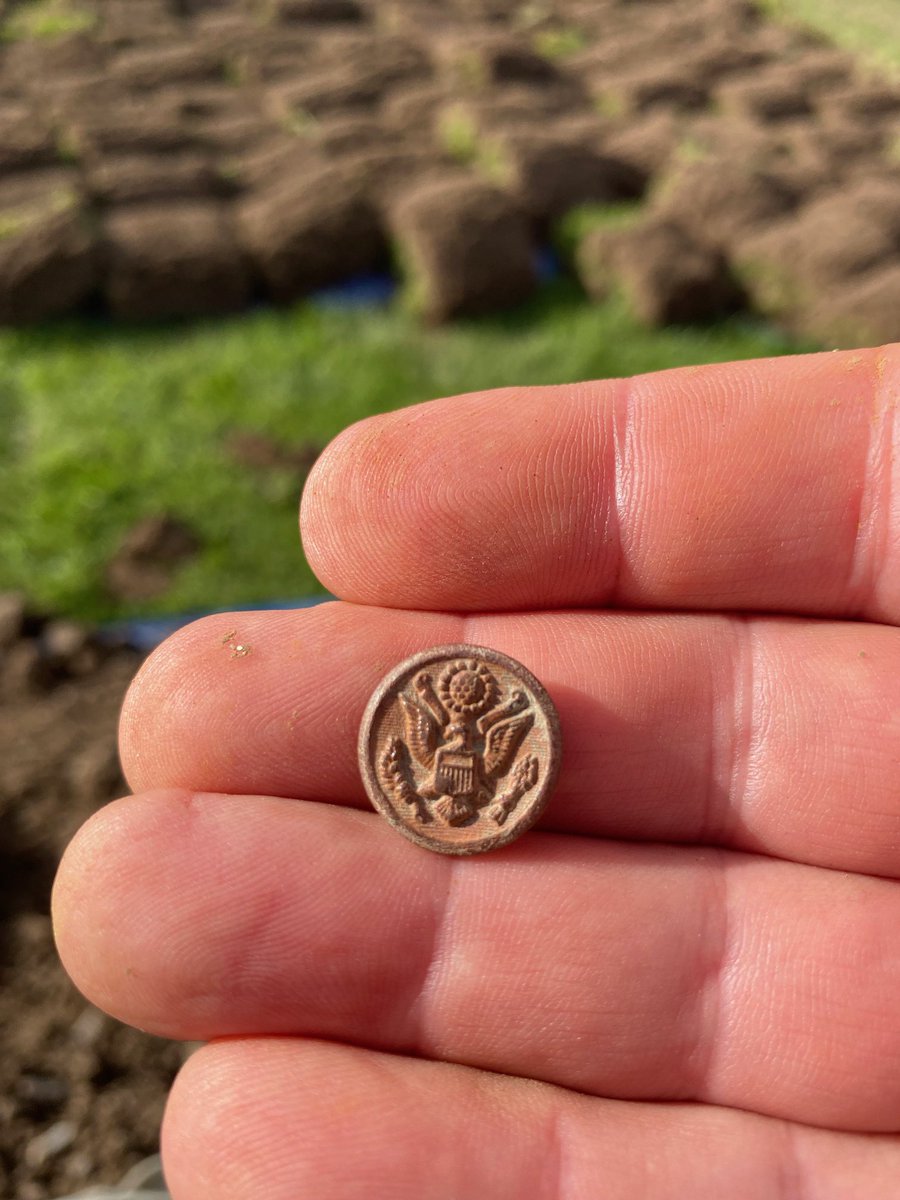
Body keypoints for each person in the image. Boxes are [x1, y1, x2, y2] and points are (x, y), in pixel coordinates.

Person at [53, 345, 900, 1197]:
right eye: (449, 710)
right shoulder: (443, 731)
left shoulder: (480, 735)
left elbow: (478, 741)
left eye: (468, 710)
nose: (457, 713)